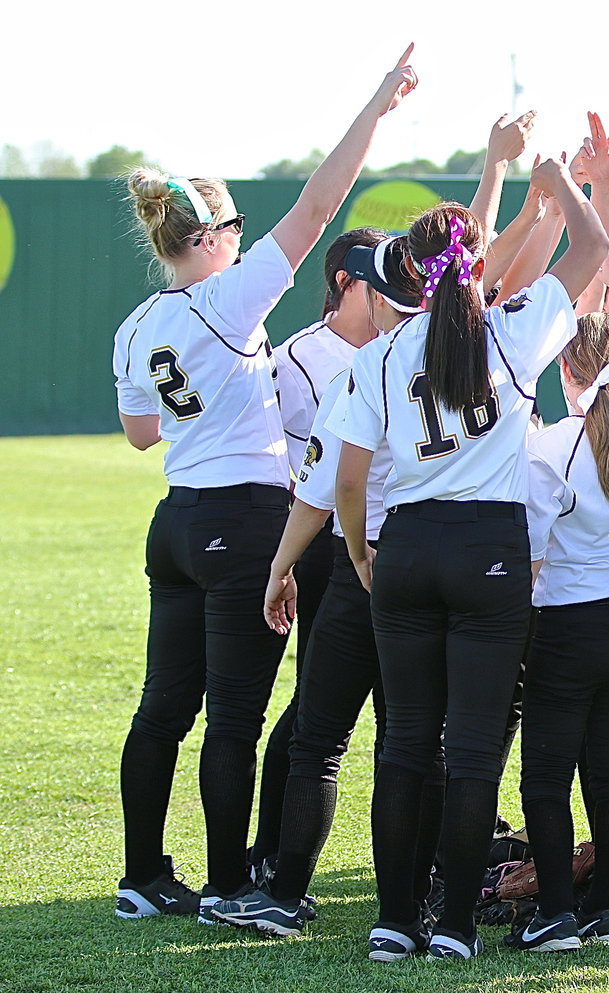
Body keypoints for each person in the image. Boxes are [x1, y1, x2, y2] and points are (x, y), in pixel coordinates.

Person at [111, 46, 420, 923]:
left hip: (174, 518)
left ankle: (142, 873)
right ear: (205, 236)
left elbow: (142, 433)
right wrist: (375, 107)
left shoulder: (137, 324)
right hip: (241, 518)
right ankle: (227, 886)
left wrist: (202, 403)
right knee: (236, 717)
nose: (243, 234)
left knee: (163, 704)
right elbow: (321, 204)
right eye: (233, 224)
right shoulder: (227, 296)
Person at [331, 164, 607, 961]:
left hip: (409, 544)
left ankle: (394, 918)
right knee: (476, 747)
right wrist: (555, 178)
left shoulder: (383, 354)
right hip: (488, 547)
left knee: (406, 743)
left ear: (410, 272)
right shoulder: (511, 333)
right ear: (476, 265)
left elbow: (351, 480)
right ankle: (453, 922)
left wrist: (359, 549)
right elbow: (591, 248)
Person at [211, 236, 432, 939]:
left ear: (375, 291)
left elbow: (328, 483)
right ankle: (409, 912)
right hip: (439, 561)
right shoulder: (475, 353)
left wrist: (285, 563)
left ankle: (284, 894)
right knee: (414, 743)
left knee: (319, 738)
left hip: (361, 561)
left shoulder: (365, 367)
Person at [505, 232, 609, 953]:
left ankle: (558, 916)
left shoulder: (547, 446)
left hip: (569, 628)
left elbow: (533, 558)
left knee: (545, 777)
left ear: (566, 370)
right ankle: (604, 902)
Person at [250, 227, 409, 874]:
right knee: (316, 706)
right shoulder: (298, 357)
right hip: (321, 540)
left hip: (376, 539)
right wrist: (284, 558)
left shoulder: (400, 350)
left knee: (397, 714)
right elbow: (304, 473)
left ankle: (406, 867)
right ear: (346, 282)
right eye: (376, 280)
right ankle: (271, 852)